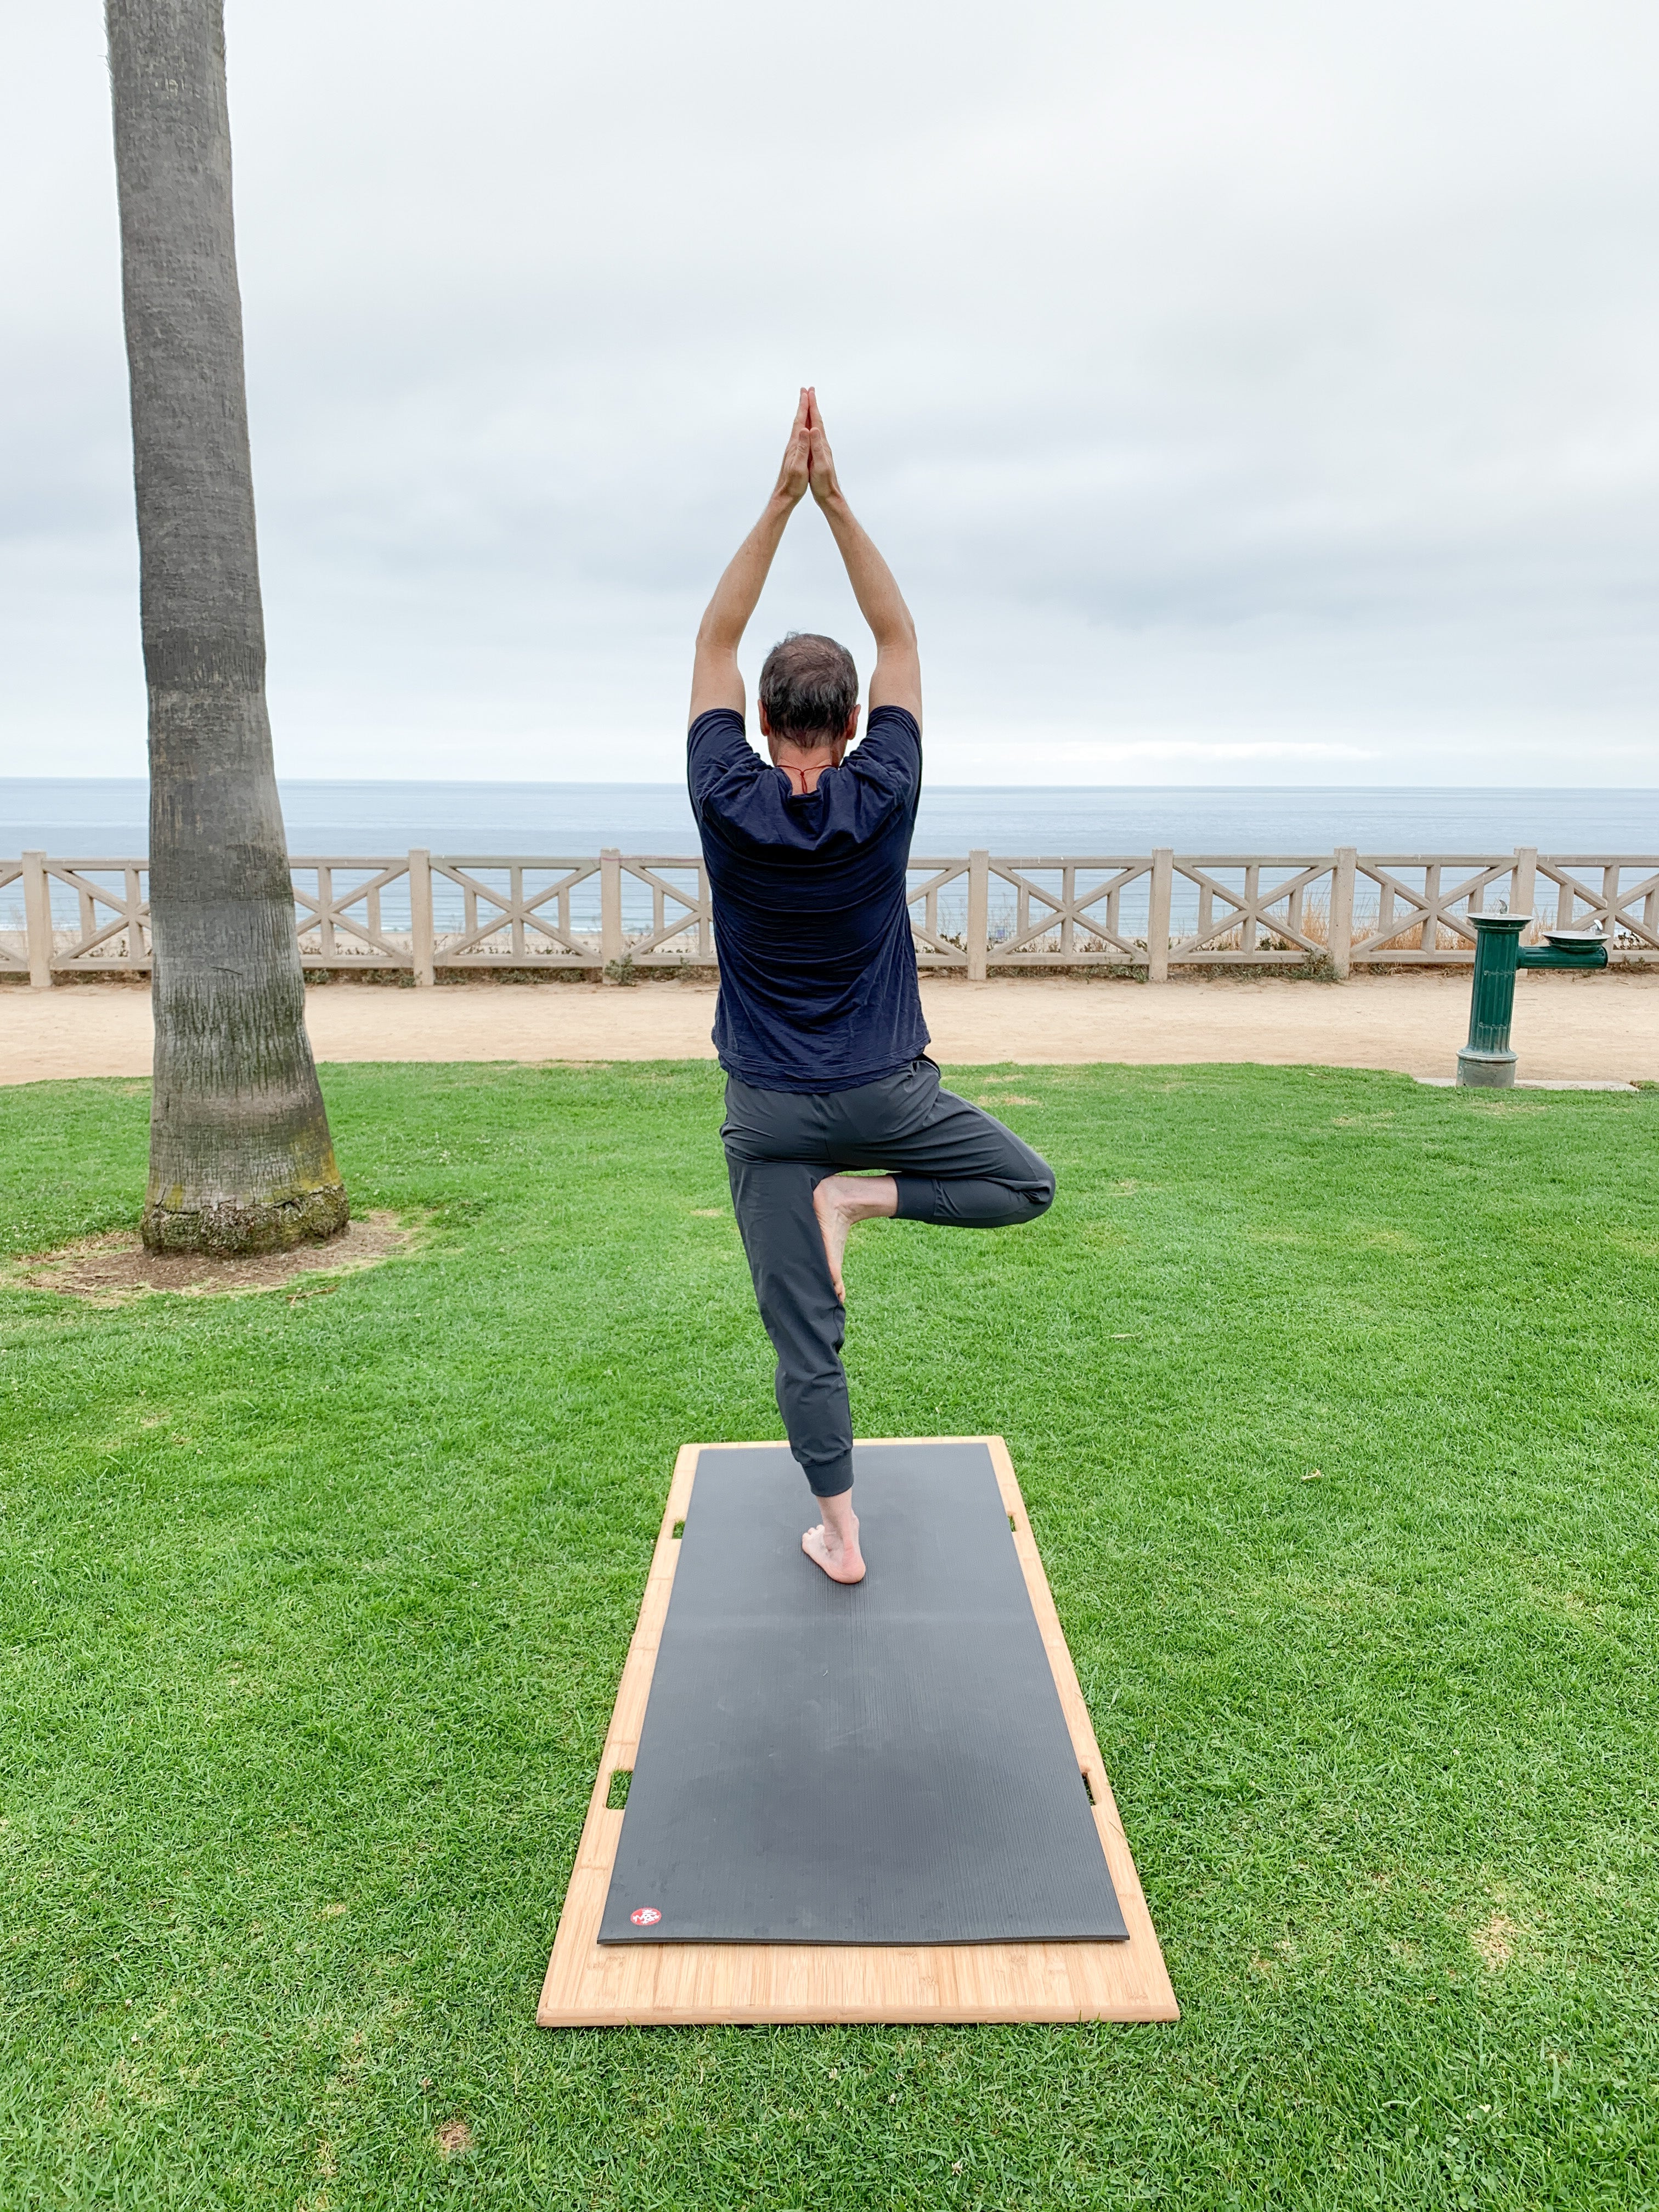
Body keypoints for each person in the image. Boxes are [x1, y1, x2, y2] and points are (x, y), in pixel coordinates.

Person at [687, 390, 1055, 1585]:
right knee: (1024, 1185)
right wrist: (835, 498)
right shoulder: (882, 790)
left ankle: (839, 1534)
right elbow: (899, 638)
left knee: (805, 1338)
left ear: (757, 722)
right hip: (887, 1103)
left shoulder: (726, 803)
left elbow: (711, 643)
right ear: (850, 723)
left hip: (772, 1115)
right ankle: (865, 1202)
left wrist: (777, 501)